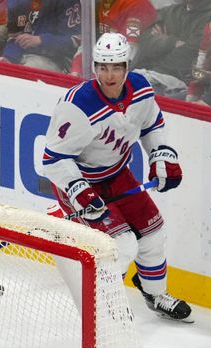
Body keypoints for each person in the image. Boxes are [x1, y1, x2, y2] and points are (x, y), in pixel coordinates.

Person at [41, 32, 192, 322]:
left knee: (153, 234)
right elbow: (53, 159)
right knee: (122, 245)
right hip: (82, 182)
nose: (109, 75)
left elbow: (152, 125)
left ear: (127, 66)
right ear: (94, 67)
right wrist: (78, 190)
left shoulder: (141, 89)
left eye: (116, 67)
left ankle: (155, 294)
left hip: (118, 174)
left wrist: (162, 155)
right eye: (103, 67)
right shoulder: (77, 105)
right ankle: (104, 305)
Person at [133, 0, 211, 98]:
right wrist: (172, 43)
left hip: (181, 84)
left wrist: (158, 52)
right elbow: (145, 41)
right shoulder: (169, 12)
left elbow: (188, 56)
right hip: (150, 74)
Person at [69, 0, 158, 76]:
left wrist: (100, 76)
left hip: (134, 75)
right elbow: (89, 42)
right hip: (101, 70)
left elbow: (129, 51)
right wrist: (76, 70)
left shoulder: (138, 5)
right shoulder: (99, 3)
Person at [0, 0, 82, 73]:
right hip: (22, 55)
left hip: (58, 61)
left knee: (28, 71)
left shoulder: (67, 1)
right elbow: (14, 37)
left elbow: (75, 41)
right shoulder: (15, 2)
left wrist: (41, 40)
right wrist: (8, 57)